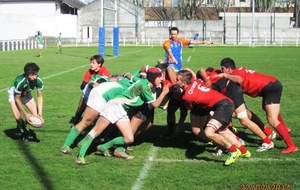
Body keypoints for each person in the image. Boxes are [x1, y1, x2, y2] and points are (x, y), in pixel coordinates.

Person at [75, 68, 169, 165]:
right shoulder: (144, 87)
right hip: (115, 106)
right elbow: (155, 105)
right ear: (153, 78)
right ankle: (80, 156)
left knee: (129, 138)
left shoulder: (143, 81)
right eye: (159, 78)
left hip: (122, 110)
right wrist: (163, 93)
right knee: (96, 132)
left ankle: (103, 147)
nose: (161, 80)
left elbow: (132, 77)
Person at [218, 57, 298, 154]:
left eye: (223, 69)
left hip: (270, 87)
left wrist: (224, 75)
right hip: (270, 84)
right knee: (267, 109)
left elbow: (239, 80)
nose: (221, 71)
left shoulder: (235, 74)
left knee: (272, 119)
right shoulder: (238, 70)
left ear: (229, 69)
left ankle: (291, 146)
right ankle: (284, 130)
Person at [176, 69, 251, 166]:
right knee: (222, 130)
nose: (175, 81)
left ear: (184, 83)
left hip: (223, 106)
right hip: (226, 102)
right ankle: (244, 151)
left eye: (177, 80)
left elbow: (189, 107)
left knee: (209, 132)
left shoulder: (187, 96)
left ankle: (233, 150)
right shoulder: (196, 81)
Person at [197, 67, 275, 152]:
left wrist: (205, 79)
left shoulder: (205, 78)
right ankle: (239, 140)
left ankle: (267, 141)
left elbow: (200, 70)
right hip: (230, 90)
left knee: (244, 120)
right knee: (231, 119)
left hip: (231, 90)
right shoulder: (207, 76)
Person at [60, 75, 135, 155]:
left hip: (105, 98)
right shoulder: (130, 84)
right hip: (100, 96)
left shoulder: (128, 83)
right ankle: (65, 146)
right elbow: (91, 83)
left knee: (96, 123)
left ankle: (81, 141)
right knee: (86, 122)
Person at [8, 62, 44, 142]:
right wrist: (25, 114)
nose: (34, 77)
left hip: (26, 94)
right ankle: (24, 131)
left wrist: (40, 113)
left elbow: (40, 96)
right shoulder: (20, 81)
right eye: (32, 75)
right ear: (26, 74)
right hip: (14, 95)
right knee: (18, 117)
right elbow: (17, 99)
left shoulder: (38, 80)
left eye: (35, 74)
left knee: (35, 116)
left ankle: (23, 124)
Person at [71, 55, 110, 125]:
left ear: (99, 64)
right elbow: (83, 86)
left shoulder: (103, 70)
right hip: (87, 93)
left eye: (93, 63)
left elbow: (105, 80)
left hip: (99, 94)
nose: (91, 64)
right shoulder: (89, 72)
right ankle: (75, 123)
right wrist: (89, 84)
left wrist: (97, 82)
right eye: (91, 62)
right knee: (80, 109)